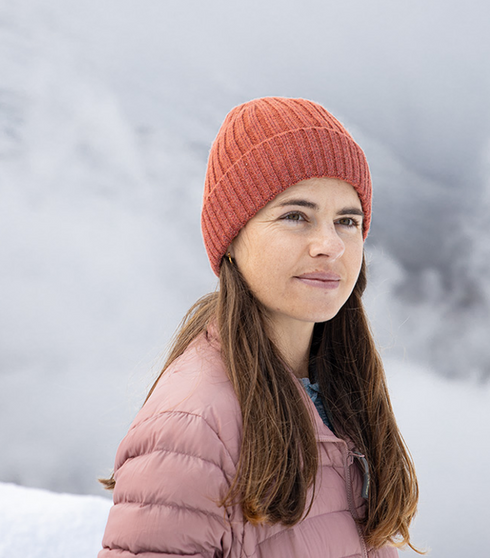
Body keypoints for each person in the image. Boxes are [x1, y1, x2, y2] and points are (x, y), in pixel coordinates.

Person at [98, 97, 419, 557]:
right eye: (296, 216)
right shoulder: (194, 428)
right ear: (231, 239)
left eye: (347, 221)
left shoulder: (339, 392)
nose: (330, 244)